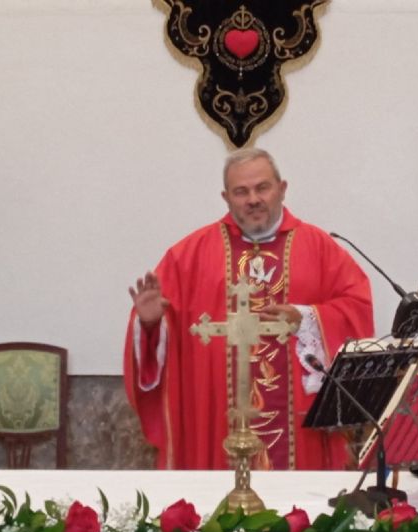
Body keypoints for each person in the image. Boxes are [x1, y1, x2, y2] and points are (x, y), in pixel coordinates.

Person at [124, 148, 374, 470]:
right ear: (226, 197)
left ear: (282, 189)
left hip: (300, 426)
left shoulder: (319, 246)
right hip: (217, 422)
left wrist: (308, 319)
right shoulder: (189, 255)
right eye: (241, 191)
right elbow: (163, 334)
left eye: (262, 188)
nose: (253, 199)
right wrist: (150, 326)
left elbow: (357, 307)